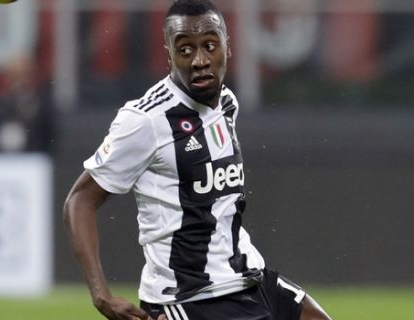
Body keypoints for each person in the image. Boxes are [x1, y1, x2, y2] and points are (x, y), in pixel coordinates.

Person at [64, 1, 332, 319]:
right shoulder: (146, 120)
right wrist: (101, 296)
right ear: (169, 55)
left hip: (253, 278)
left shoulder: (227, 103)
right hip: (193, 298)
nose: (200, 61)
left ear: (227, 47)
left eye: (209, 45)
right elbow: (79, 200)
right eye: (185, 50)